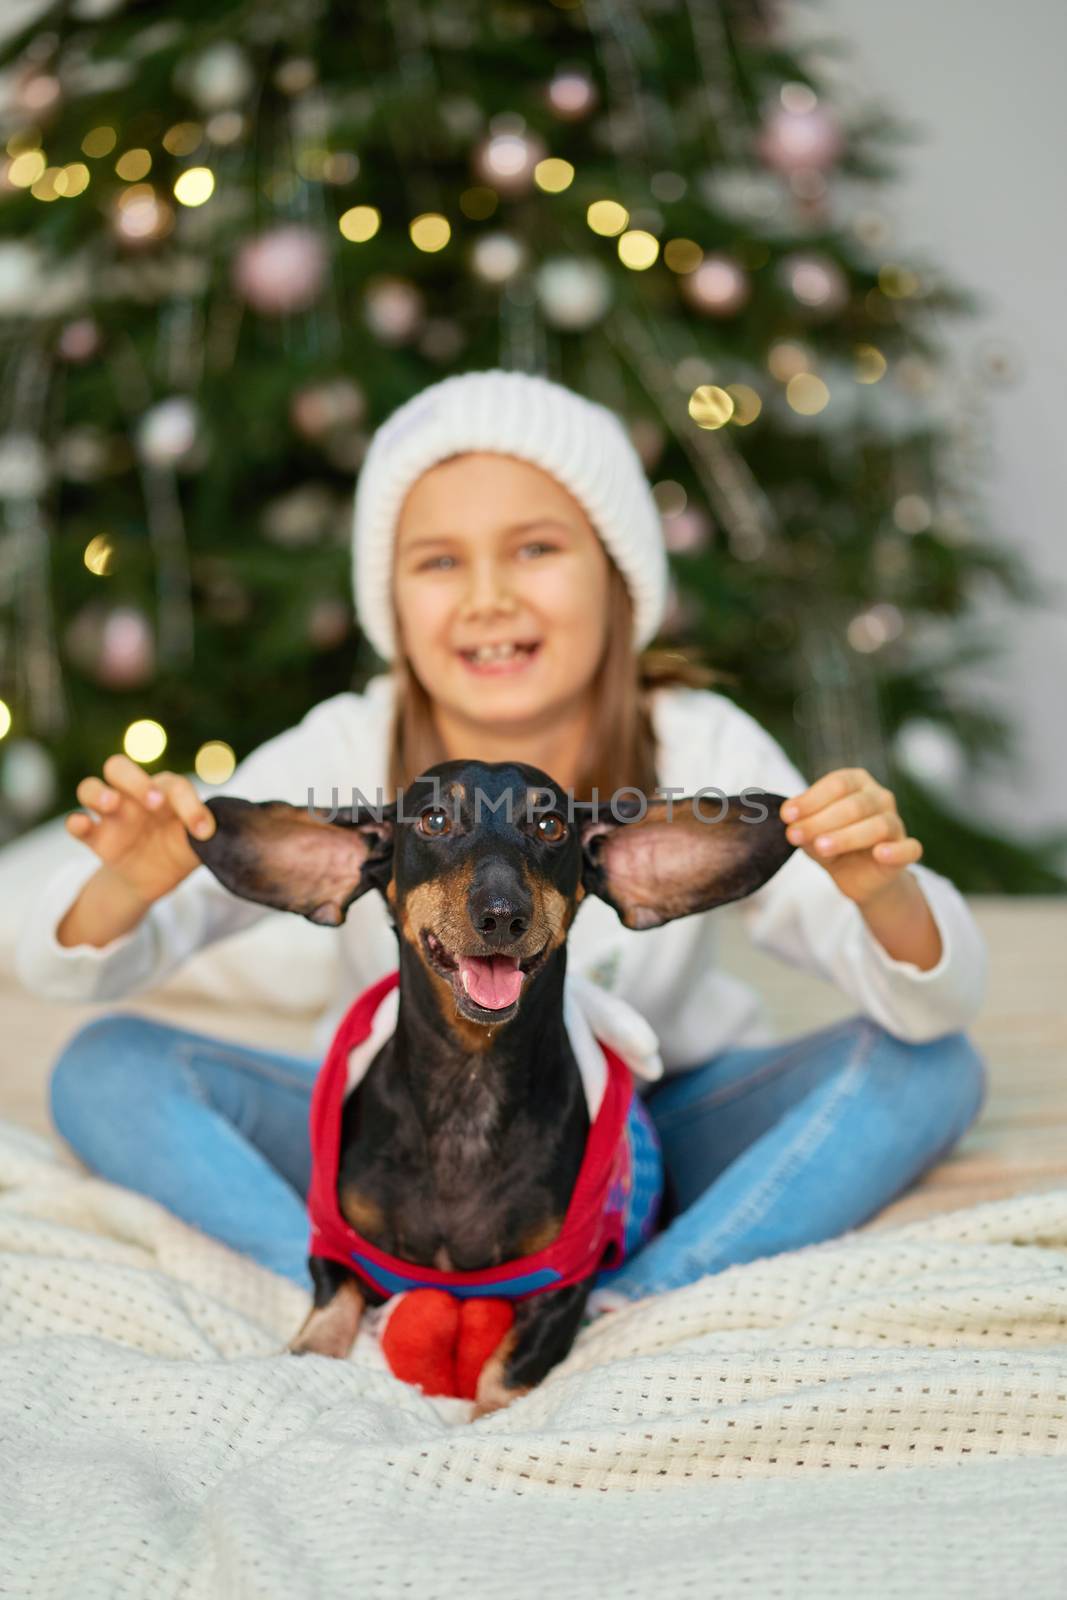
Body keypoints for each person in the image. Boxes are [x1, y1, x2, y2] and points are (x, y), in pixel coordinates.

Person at [15, 369, 988, 1307]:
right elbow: (67, 966)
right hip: (398, 1140)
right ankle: (338, 1283)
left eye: (534, 549)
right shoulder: (349, 746)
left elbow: (936, 995)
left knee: (928, 1069)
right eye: (438, 560)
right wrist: (136, 878)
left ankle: (642, 1297)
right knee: (106, 1066)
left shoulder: (699, 741)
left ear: (618, 581)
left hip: (653, 1119)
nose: (486, 596)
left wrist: (874, 887)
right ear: (390, 602)